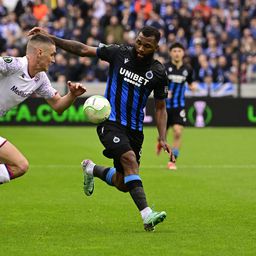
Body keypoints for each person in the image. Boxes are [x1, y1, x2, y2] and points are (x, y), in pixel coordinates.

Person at [29, 26, 174, 231]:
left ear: (156, 47)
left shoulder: (158, 72)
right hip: (109, 122)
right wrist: (50, 38)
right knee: (129, 159)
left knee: (124, 183)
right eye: (139, 42)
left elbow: (160, 107)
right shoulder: (119, 53)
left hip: (135, 130)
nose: (140, 48)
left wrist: (162, 136)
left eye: (147, 46)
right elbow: (82, 49)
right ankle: (147, 215)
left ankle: (91, 169)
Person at [0, 34, 86, 185]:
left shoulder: (40, 79)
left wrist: (72, 95)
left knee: (17, 166)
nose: (53, 60)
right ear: (40, 52)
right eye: (52, 54)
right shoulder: (14, 65)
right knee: (20, 165)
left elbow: (58, 106)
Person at [157, 42, 196, 170]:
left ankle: (172, 161)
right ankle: (160, 141)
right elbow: (158, 84)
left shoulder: (188, 69)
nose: (177, 53)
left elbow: (190, 83)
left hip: (179, 106)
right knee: (163, 135)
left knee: (178, 132)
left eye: (179, 51)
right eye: (174, 51)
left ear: (183, 53)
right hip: (164, 107)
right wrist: (165, 92)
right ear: (170, 53)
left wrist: (193, 87)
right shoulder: (164, 67)